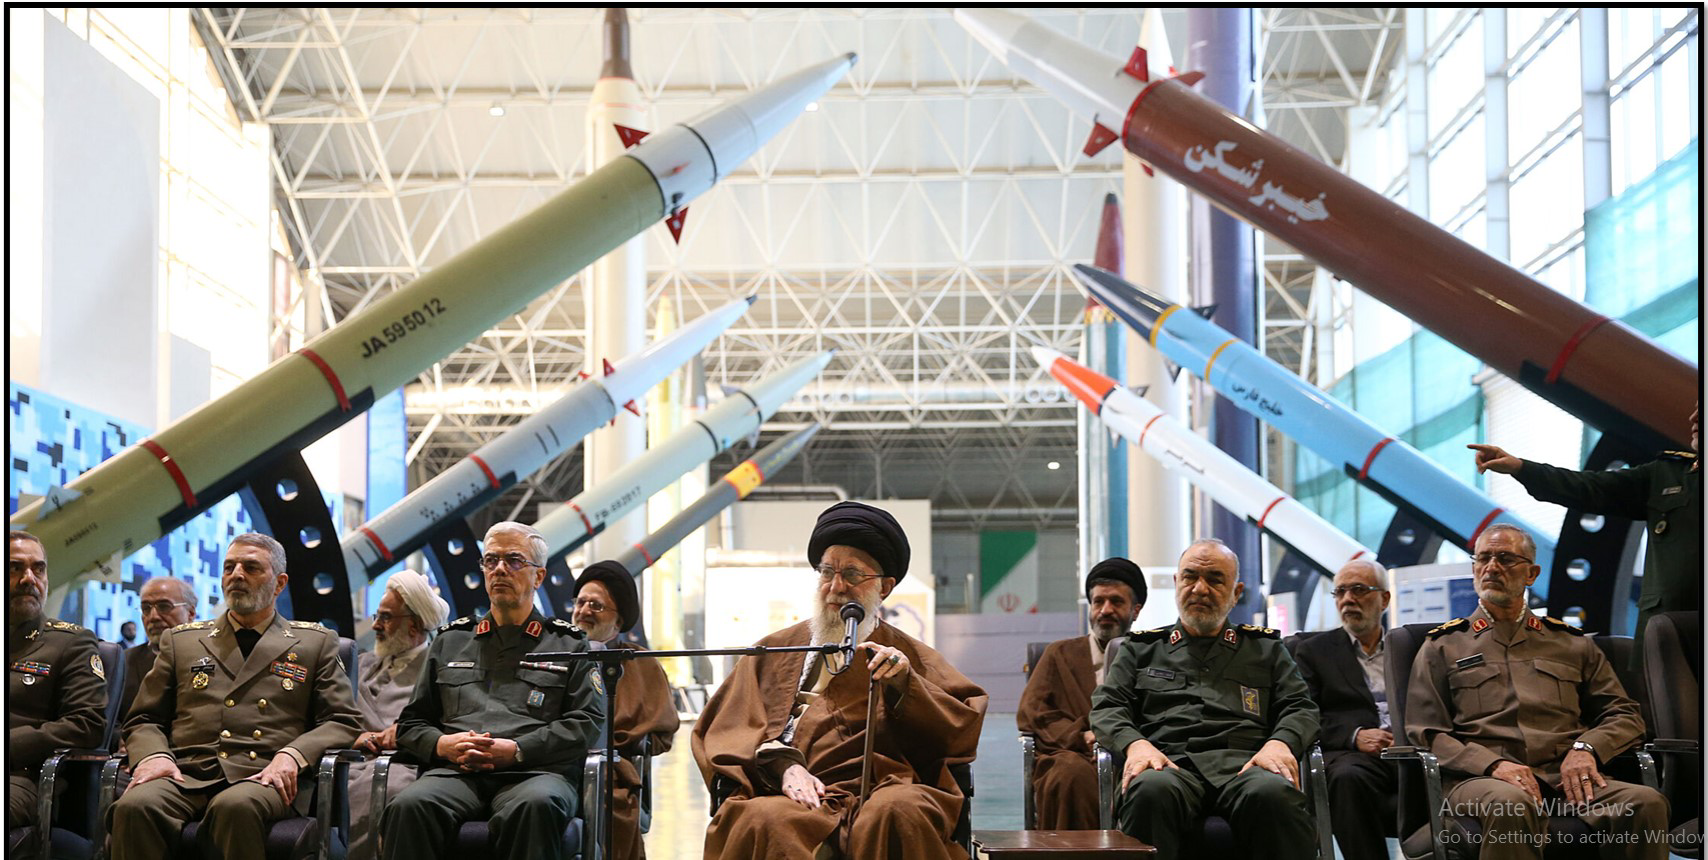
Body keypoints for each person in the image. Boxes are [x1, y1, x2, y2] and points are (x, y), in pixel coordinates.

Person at [693, 501, 988, 859]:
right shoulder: (774, 649)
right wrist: (784, 767)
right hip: (791, 788)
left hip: (883, 785)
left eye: (852, 574)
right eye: (826, 572)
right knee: (763, 819)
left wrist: (904, 686)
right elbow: (728, 731)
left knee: (899, 811)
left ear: (885, 587)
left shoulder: (909, 656)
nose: (836, 587)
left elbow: (959, 728)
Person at [1405, 523, 1669, 859]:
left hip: (1565, 777)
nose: (1491, 568)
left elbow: (1624, 714)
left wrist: (1586, 749)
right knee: (1509, 804)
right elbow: (1426, 733)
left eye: (1505, 558)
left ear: (1531, 574)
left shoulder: (1571, 644)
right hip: (1480, 782)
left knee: (1645, 802)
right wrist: (1493, 765)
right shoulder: (1443, 646)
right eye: (1483, 559)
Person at [110, 532, 361, 860]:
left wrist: (293, 755)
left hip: (264, 775)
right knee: (135, 805)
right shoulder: (182, 641)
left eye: (251, 568)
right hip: (187, 773)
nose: (237, 575)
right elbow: (144, 717)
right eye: (229, 567)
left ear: (279, 583)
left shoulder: (314, 642)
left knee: (235, 806)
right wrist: (154, 756)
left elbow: (342, 720)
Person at [380, 522, 604, 860]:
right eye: (490, 560)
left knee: (535, 805)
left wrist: (517, 750)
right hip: (456, 773)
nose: (499, 569)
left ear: (539, 577)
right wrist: (442, 744)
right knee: (409, 805)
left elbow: (586, 721)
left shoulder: (568, 644)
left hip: (535, 772)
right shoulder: (451, 640)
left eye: (514, 560)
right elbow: (412, 723)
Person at [1091, 539, 1319, 860]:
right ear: (1176, 583)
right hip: (1167, 764)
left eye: (1215, 579)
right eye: (1190, 577)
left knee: (1274, 793)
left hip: (1246, 766)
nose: (1199, 589)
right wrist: (1135, 745)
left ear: (1236, 592)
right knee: (1149, 791)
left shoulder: (1265, 649)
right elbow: (1108, 706)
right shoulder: (1140, 649)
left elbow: (1300, 707)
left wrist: (1280, 743)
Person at [1468, 402, 1699, 663]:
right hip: (1667, 640)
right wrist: (1521, 468)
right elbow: (1588, 487)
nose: (1693, 418)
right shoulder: (1668, 474)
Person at [1016, 556, 1146, 829]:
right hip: (1073, 754)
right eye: (1098, 602)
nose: (1105, 610)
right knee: (1069, 775)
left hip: (1135, 757)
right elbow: (1033, 713)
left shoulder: (1150, 655)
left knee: (1156, 785)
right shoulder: (1059, 655)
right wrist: (1081, 735)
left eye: (1116, 602)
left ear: (1135, 610)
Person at [571, 560, 680, 860]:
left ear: (618, 622)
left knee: (612, 800)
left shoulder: (641, 664)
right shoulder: (553, 652)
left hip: (609, 770)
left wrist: (617, 744)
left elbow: (661, 732)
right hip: (552, 760)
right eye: (580, 602)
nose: (584, 611)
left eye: (596, 605)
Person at [1292, 559, 1396, 860]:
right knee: (1347, 777)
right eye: (1340, 592)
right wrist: (1354, 735)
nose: (1348, 599)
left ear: (1384, 599)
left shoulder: (1407, 647)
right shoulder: (1314, 651)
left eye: (1359, 590)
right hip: (1352, 757)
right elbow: (1303, 714)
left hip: (1408, 751)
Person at [345, 569, 449, 860]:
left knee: (387, 792)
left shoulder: (441, 669)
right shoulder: (360, 664)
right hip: (349, 759)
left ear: (414, 626)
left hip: (404, 765)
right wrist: (354, 736)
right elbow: (334, 715)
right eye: (377, 616)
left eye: (386, 618)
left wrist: (404, 734)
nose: (375, 625)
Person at [8, 530, 109, 830]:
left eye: (38, 569)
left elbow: (87, 724)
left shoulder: (70, 642)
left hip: (20, 776)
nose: (29, 579)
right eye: (14, 568)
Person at [119, 577, 198, 730]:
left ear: (191, 613)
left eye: (164, 606)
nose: (153, 616)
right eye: (146, 608)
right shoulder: (122, 663)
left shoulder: (211, 659)